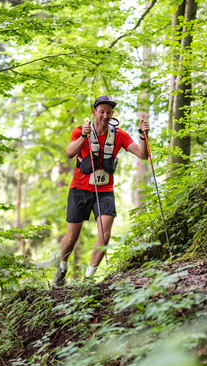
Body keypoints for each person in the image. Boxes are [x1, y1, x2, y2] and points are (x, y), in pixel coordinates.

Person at [53, 95, 150, 286]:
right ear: (94, 112)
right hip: (79, 189)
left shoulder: (119, 135)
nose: (105, 116)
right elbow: (69, 153)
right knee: (71, 237)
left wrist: (143, 136)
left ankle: (88, 279)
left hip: (105, 190)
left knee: (105, 235)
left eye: (108, 112)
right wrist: (83, 137)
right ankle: (62, 268)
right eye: (101, 112)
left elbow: (143, 155)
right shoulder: (81, 131)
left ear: (112, 114)